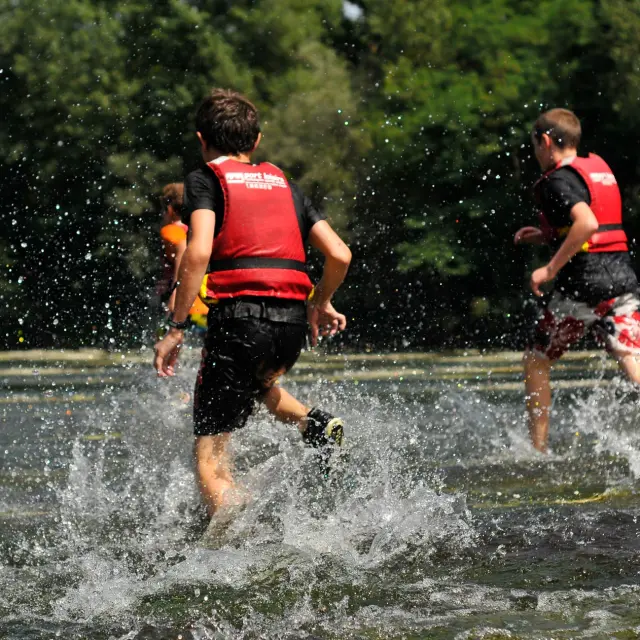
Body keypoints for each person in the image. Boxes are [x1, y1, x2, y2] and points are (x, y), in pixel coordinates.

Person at [153, 89, 351, 517]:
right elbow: (340, 254)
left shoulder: (204, 179)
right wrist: (321, 301)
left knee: (209, 454)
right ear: (256, 140)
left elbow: (199, 252)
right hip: (291, 328)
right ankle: (314, 423)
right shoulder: (288, 186)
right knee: (255, 384)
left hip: (240, 322)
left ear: (202, 139)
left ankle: (230, 540)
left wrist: (176, 328)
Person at [515, 108, 640, 453]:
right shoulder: (594, 169)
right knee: (632, 362)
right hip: (622, 282)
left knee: (536, 359)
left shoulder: (556, 180)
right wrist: (546, 235)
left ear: (544, 141)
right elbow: (592, 226)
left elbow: (587, 224)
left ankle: (537, 452)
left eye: (534, 145)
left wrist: (549, 269)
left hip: (583, 289)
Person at [157, 183, 209, 330]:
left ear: (169, 210)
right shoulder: (199, 232)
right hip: (203, 304)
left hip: (180, 303)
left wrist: (174, 297)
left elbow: (181, 259)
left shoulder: (171, 231)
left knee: (167, 340)